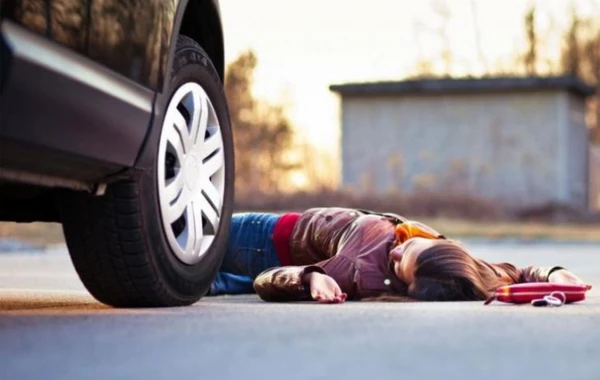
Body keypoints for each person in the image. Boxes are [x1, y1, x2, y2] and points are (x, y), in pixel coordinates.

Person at [208, 208, 587, 303]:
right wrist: (553, 272)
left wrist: (308, 277)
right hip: (273, 230)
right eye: (412, 248)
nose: (399, 249)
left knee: (161, 249)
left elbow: (267, 280)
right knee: (192, 281)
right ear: (446, 249)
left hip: (258, 240)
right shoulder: (457, 266)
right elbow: (512, 273)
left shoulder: (353, 268)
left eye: (399, 266)